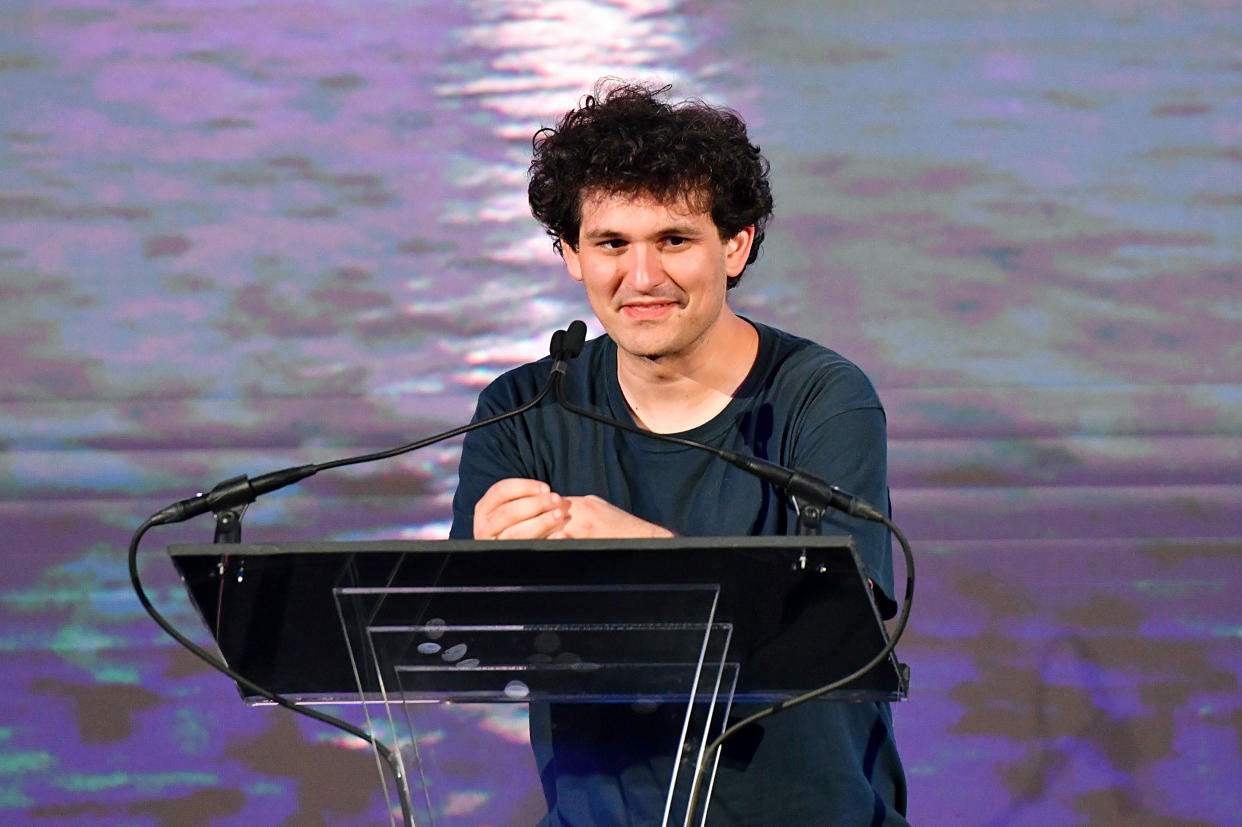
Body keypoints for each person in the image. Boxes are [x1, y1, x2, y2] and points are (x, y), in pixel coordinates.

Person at [450, 80, 908, 826]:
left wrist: (643, 551)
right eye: (610, 244)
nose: (641, 278)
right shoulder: (522, 409)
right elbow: (467, 647)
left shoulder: (822, 398)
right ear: (570, 254)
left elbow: (844, 642)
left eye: (672, 240)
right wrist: (488, 573)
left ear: (736, 244)